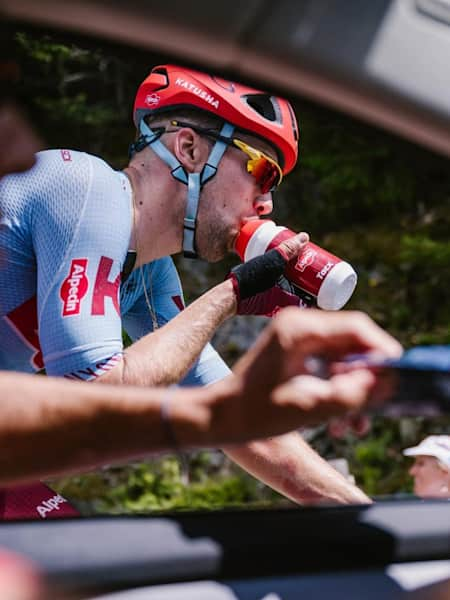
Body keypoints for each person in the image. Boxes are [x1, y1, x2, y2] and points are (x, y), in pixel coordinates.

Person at [0, 63, 403, 515]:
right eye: (262, 170)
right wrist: (227, 296)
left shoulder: (149, 276)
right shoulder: (82, 187)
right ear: (189, 148)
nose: (267, 202)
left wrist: (379, 520)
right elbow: (92, 394)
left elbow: (242, 428)